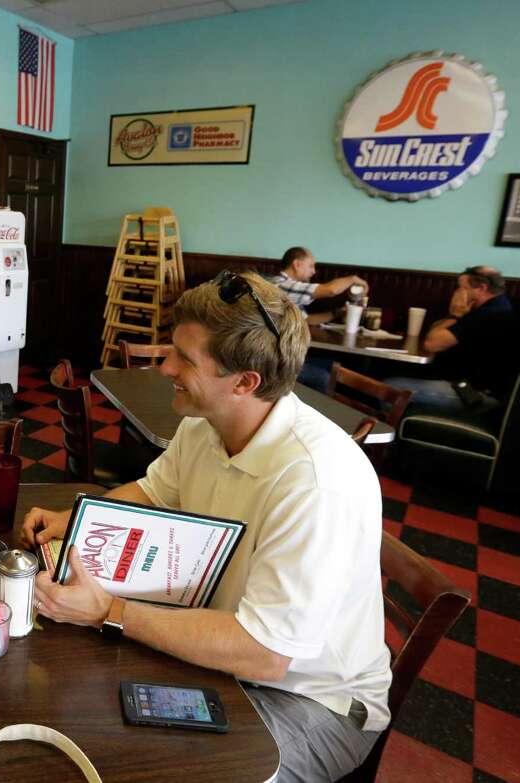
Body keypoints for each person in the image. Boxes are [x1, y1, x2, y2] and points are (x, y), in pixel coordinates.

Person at [22, 272, 391, 782]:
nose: (165, 367)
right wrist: (78, 520)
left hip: (308, 700)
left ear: (245, 382)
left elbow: (264, 654)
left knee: (143, 765)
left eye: (184, 360)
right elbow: (153, 493)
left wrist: (107, 611)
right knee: (77, 714)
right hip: (219, 644)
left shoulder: (316, 482)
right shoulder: (205, 423)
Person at [386, 266, 520, 416]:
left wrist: (455, 315)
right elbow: (435, 329)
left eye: (461, 288)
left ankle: (385, 433)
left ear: (482, 288)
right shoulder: (492, 307)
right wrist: (455, 315)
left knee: (390, 388)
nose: (457, 293)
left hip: (474, 395)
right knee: (392, 371)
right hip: (461, 383)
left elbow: (431, 344)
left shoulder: (491, 314)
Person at [270, 247, 370, 390]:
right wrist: (353, 279)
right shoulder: (281, 284)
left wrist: (339, 312)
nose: (314, 271)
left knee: (335, 366)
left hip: (286, 355)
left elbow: (308, 320)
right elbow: (331, 290)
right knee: (323, 377)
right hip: (276, 361)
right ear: (296, 264)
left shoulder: (291, 292)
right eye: (311, 266)